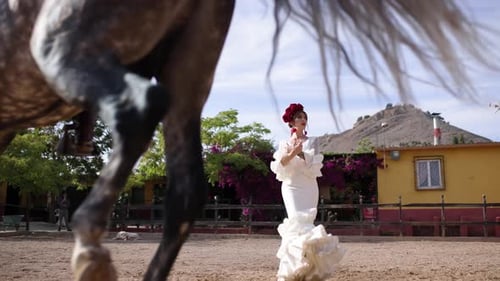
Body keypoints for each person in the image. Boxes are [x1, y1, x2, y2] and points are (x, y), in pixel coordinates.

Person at [270, 103, 344, 281]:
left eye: (304, 117)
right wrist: (293, 151)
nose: (303, 120)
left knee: (307, 223)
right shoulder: (284, 143)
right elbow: (280, 165)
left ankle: (309, 269)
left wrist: (301, 153)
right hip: (291, 186)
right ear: (291, 123)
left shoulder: (313, 141)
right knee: (296, 222)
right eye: (299, 117)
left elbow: (315, 165)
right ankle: (292, 270)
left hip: (309, 185)